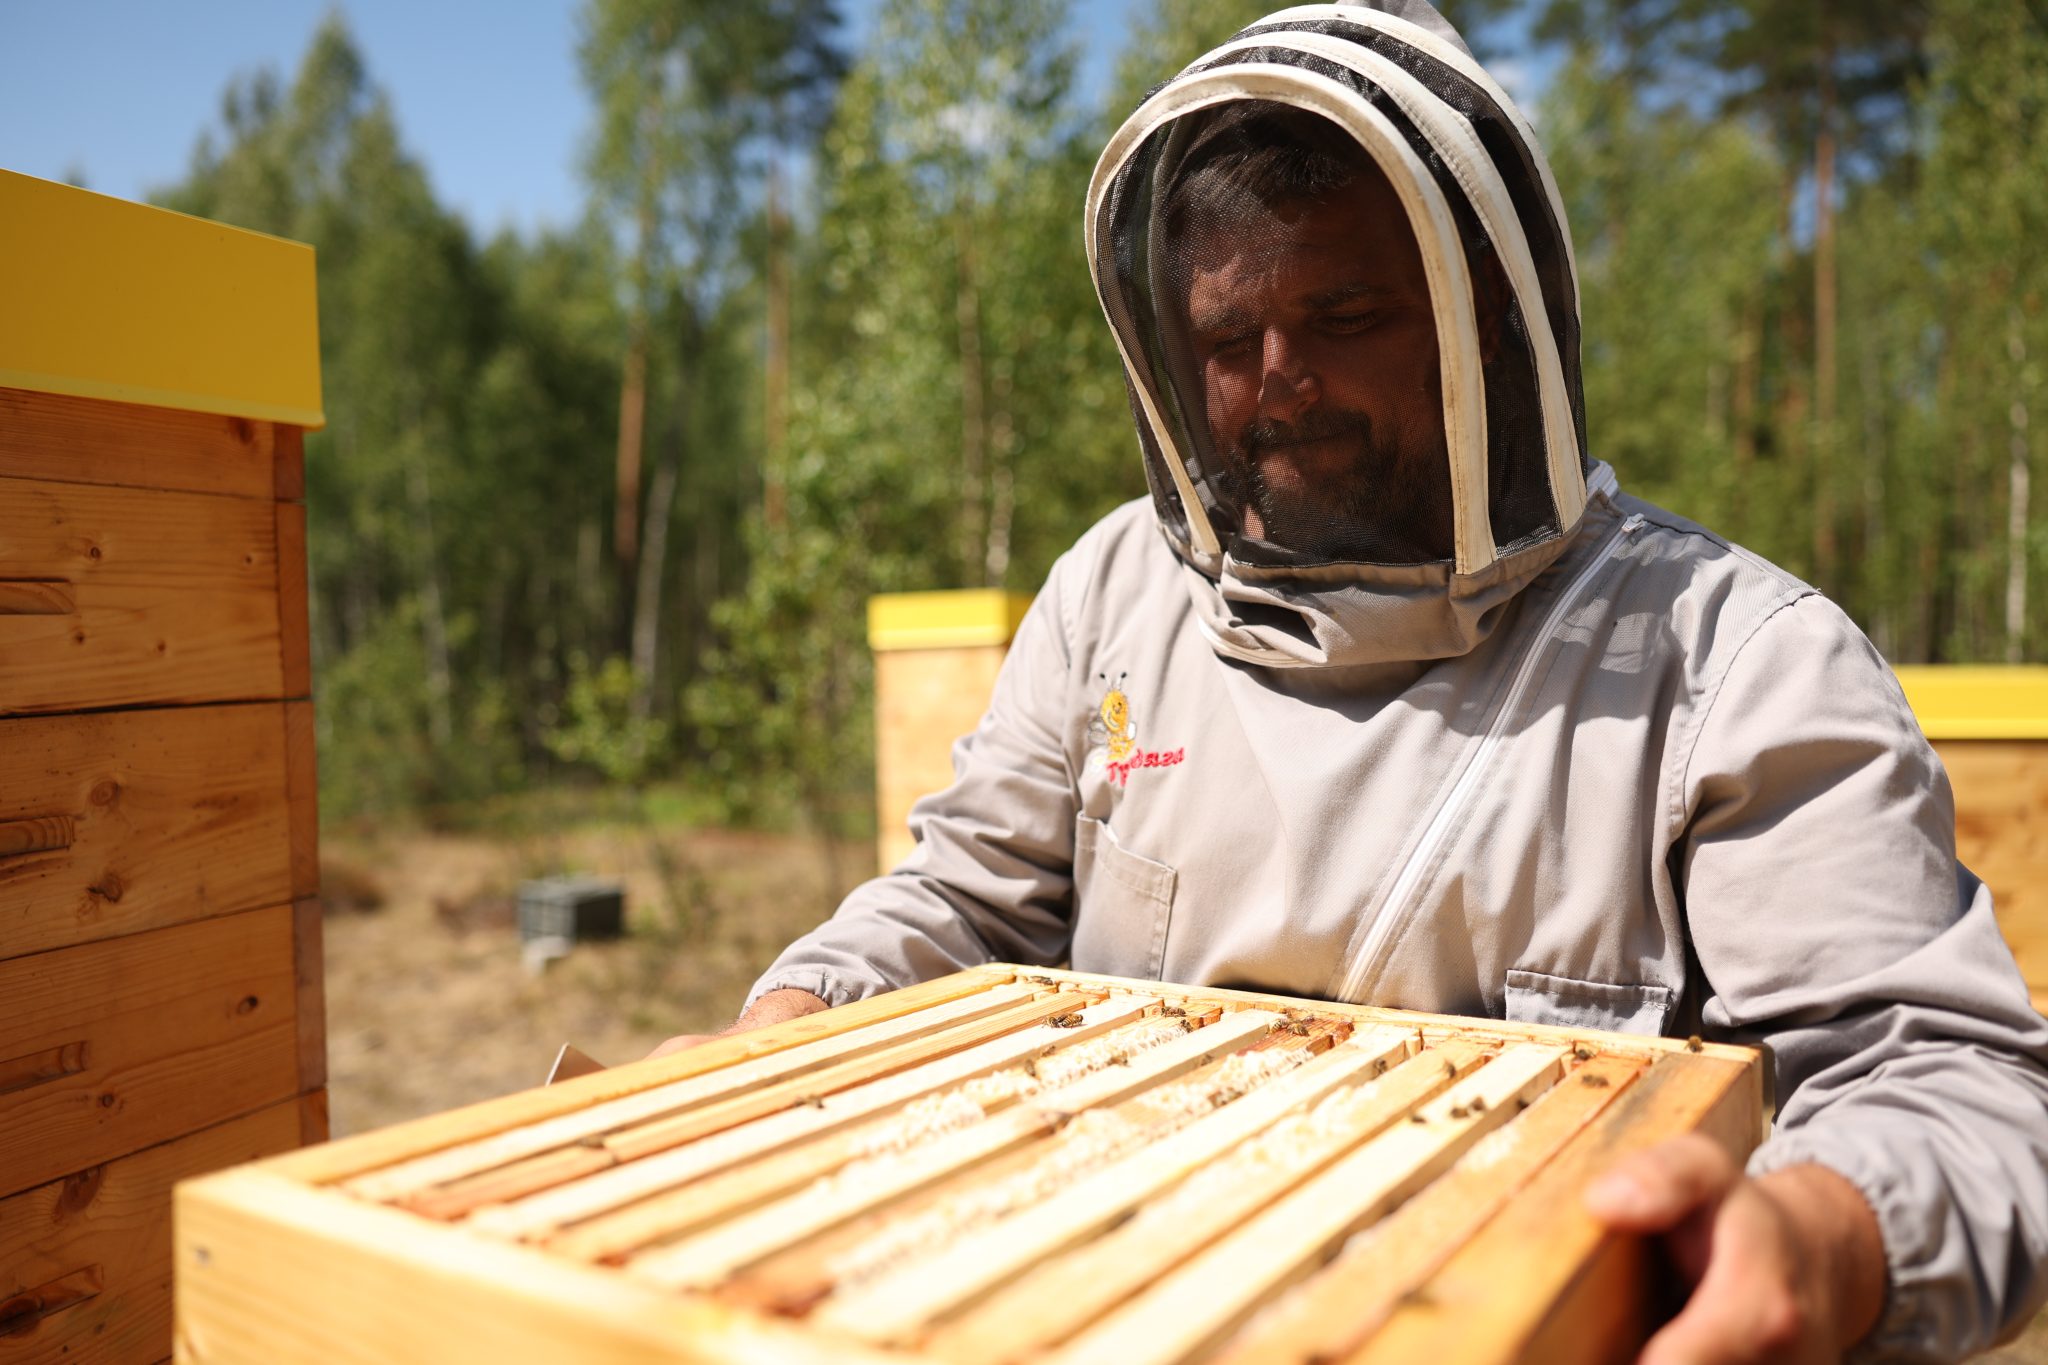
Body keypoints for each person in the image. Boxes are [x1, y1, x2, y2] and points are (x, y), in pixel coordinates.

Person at [655, 3, 2048, 1358]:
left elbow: (1951, 1086)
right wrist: (789, 1028)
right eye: (1227, 339)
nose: (1281, 381)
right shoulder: (1111, 597)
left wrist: (1822, 1237)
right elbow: (964, 900)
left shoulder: (1737, 659)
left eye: (1345, 313)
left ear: (1484, 317)